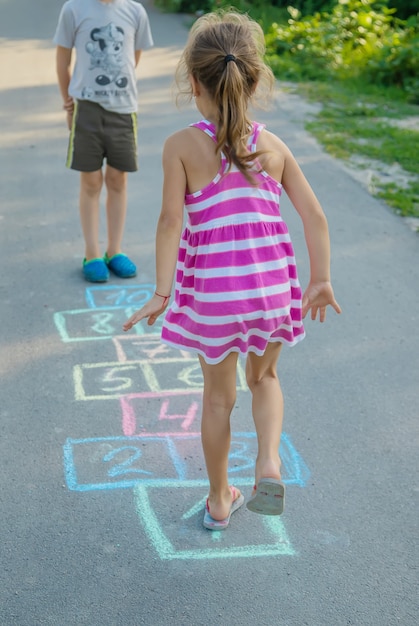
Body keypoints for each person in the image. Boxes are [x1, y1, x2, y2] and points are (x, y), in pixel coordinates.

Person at [123, 10, 341, 530]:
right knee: (264, 378)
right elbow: (314, 215)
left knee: (219, 400)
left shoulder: (180, 146)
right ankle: (269, 461)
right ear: (255, 80)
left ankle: (220, 499)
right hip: (270, 289)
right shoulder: (273, 146)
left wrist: (161, 290)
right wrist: (321, 279)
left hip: (215, 296)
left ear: (193, 82)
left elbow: (170, 220)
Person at [53, 0, 153, 282]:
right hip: (86, 108)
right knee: (91, 181)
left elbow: (133, 58)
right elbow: (63, 60)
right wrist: (68, 103)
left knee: (118, 179)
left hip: (123, 110)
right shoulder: (74, 9)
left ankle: (114, 250)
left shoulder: (135, 12)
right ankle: (92, 252)